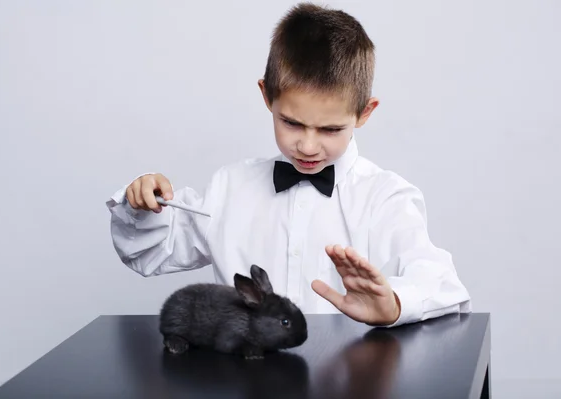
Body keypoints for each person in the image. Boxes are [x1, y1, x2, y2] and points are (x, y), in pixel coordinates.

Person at [106, 2, 471, 327]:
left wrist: (392, 304)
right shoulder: (230, 188)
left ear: (364, 113)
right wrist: (142, 204)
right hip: (247, 379)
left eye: (330, 129)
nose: (308, 146)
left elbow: (441, 283)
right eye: (292, 123)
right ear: (267, 96)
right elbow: (150, 253)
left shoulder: (385, 199)